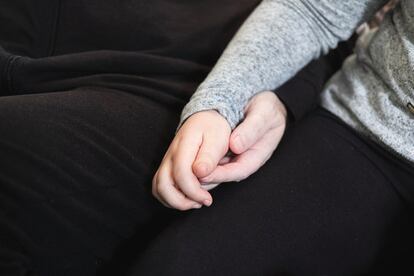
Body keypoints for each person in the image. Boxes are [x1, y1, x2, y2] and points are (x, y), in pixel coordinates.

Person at [0, 1, 412, 276]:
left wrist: (280, 97)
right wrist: (221, 101)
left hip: (176, 74)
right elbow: (316, 11)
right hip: (361, 116)